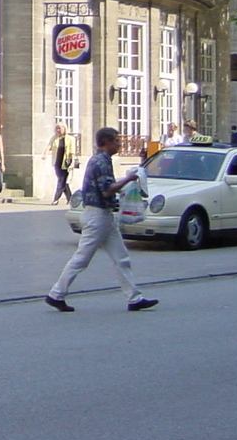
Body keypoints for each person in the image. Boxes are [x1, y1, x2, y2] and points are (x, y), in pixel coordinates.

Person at [45, 127, 157, 313]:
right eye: (116, 141)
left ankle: (134, 298)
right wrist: (128, 179)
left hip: (103, 215)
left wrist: (120, 188)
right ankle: (56, 294)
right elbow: (106, 190)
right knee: (82, 258)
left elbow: (103, 188)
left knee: (121, 257)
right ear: (106, 142)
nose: (119, 144)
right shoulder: (102, 162)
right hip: (98, 216)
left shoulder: (99, 160)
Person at [46, 123, 75, 204]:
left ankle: (56, 199)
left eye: (60, 128)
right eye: (57, 128)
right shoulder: (54, 138)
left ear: (64, 129)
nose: (58, 130)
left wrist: (72, 161)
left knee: (61, 180)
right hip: (57, 162)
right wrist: (45, 154)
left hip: (66, 162)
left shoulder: (70, 139)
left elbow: (72, 151)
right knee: (63, 181)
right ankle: (70, 199)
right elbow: (49, 146)